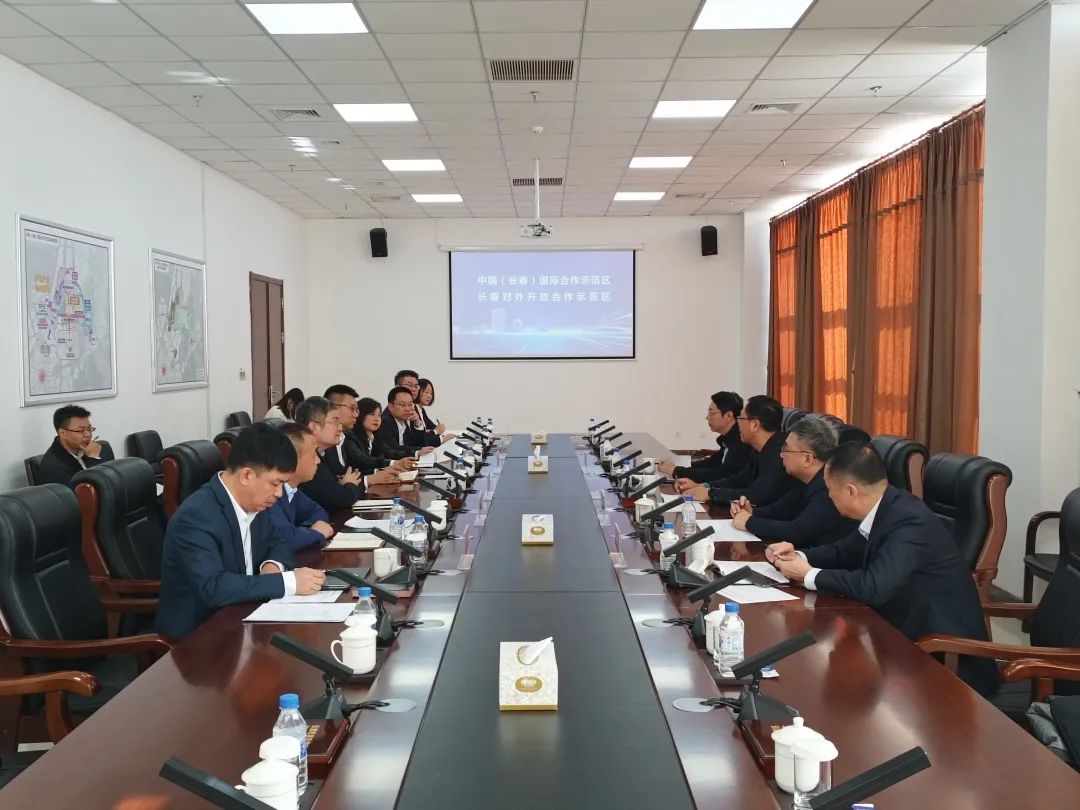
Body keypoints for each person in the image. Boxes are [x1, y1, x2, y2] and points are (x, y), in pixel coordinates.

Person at [768, 442, 999, 698]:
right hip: (900, 635)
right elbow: (847, 550)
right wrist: (800, 555)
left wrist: (808, 575)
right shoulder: (888, 506)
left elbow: (874, 587)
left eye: (830, 491)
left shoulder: (908, 521)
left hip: (946, 661)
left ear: (851, 491)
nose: (829, 498)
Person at [155, 422, 325, 640]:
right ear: (246, 476)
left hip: (245, 618)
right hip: (199, 637)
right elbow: (213, 587)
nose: (279, 493)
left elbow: (278, 543)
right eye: (275, 483)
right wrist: (287, 582)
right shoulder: (196, 517)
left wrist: (272, 566)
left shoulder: (255, 501)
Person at [731, 415, 857, 548]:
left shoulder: (829, 487)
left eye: (786, 450)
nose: (781, 455)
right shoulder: (803, 479)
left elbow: (797, 531)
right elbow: (781, 510)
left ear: (807, 459)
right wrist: (752, 512)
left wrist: (749, 522)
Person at [676, 395, 794, 510]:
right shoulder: (759, 449)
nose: (738, 424)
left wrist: (710, 494)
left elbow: (757, 496)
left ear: (755, 425)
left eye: (740, 419)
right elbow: (739, 480)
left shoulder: (781, 453)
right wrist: (703, 486)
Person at [296, 396, 377, 512]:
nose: (340, 428)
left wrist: (346, 484)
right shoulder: (306, 458)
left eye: (340, 422)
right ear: (314, 427)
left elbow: (338, 483)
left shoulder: (324, 452)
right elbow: (341, 499)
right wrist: (350, 484)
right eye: (335, 422)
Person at [263, 422, 335, 552]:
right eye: (313, 454)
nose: (318, 460)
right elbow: (286, 539)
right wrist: (315, 533)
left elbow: (319, 512)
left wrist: (301, 532)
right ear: (292, 459)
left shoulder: (291, 489)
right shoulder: (270, 493)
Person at [657, 391, 751, 482]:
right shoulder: (728, 440)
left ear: (728, 415)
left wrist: (677, 471)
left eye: (712, 413)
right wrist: (677, 466)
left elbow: (720, 474)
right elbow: (710, 464)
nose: (707, 417)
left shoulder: (741, 442)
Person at [321, 384, 408, 480]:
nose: (355, 414)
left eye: (379, 415)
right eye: (352, 408)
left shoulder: (342, 437)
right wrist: (376, 475)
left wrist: (379, 472)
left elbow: (347, 475)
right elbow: (360, 461)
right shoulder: (326, 441)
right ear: (333, 407)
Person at [37, 404, 111, 487]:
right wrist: (93, 459)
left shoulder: (101, 449)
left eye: (89, 429)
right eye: (80, 431)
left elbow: (114, 482)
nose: (88, 434)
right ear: (62, 433)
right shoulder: (53, 468)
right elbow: (92, 491)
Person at [353, 397, 418, 464]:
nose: (377, 419)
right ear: (360, 414)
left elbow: (390, 452)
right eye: (372, 414)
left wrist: (417, 453)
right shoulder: (353, 438)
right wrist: (393, 463)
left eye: (379, 415)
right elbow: (364, 460)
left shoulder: (375, 437)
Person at [378, 386, 436, 458]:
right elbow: (394, 448)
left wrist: (418, 423)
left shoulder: (404, 421)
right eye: (403, 405)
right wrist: (419, 451)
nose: (407, 409)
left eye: (410, 404)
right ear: (390, 407)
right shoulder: (385, 422)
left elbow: (415, 444)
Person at [415, 378, 455, 443]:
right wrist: (436, 431)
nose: (429, 396)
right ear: (417, 391)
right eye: (426, 392)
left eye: (431, 393)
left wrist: (438, 428)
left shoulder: (421, 410)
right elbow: (420, 437)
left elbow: (432, 427)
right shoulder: (413, 410)